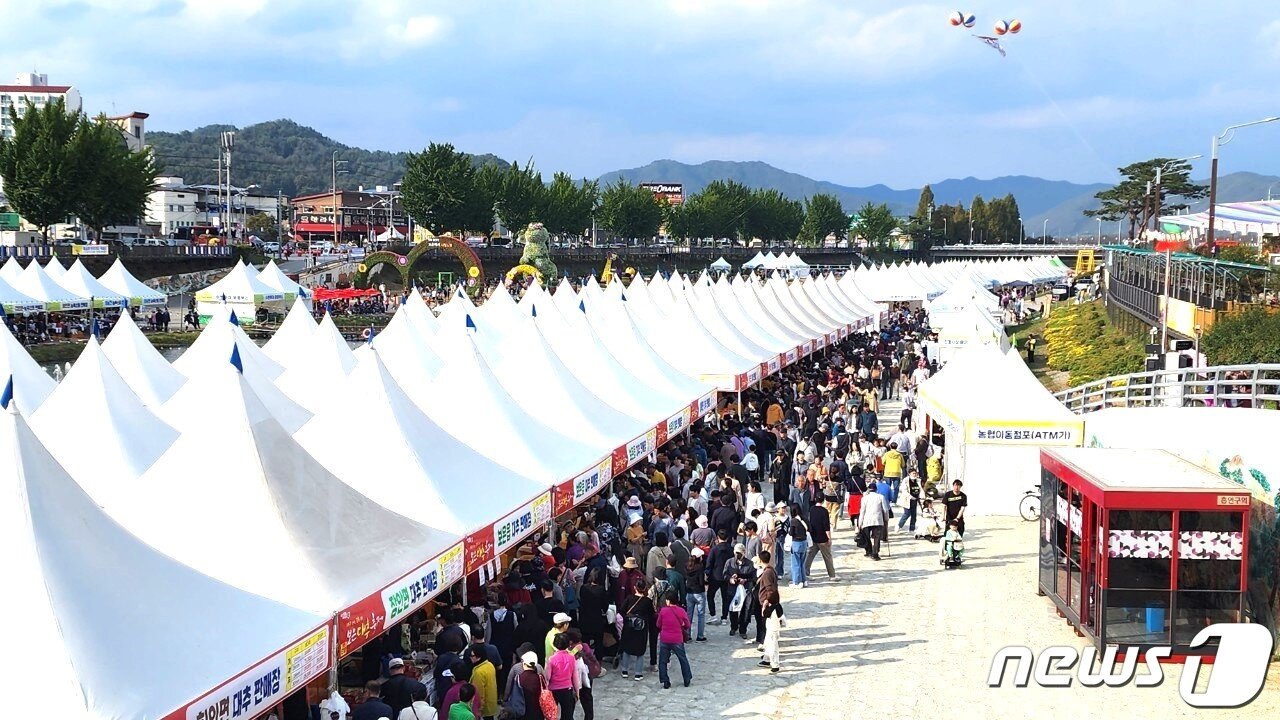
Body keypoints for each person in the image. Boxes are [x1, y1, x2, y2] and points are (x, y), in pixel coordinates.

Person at [654, 592, 694, 689]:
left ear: (668, 601)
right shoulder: (681, 611)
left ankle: (665, 680)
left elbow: (658, 625)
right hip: (677, 639)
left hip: (665, 639)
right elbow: (687, 624)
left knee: (663, 661)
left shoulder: (663, 611)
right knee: (682, 659)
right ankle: (687, 678)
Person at [619, 577, 654, 680]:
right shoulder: (647, 601)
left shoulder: (629, 598)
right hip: (641, 628)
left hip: (629, 626)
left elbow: (622, 610)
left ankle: (624, 670)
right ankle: (638, 673)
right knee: (640, 650)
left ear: (635, 588)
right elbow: (651, 614)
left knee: (627, 648)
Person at [755, 551, 784, 673]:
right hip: (771, 606)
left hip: (770, 607)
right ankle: (767, 658)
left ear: (761, 560)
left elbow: (770, 590)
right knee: (768, 635)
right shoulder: (771, 570)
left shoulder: (767, 573)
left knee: (772, 636)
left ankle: (775, 663)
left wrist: (766, 601)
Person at [724, 542, 757, 638]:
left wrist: (746, 580)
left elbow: (754, 577)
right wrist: (730, 579)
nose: (737, 555)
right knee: (733, 609)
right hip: (733, 589)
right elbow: (725, 575)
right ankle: (733, 627)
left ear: (744, 553)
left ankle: (743, 629)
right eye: (736, 553)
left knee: (746, 611)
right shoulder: (729, 562)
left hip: (746, 590)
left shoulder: (750, 564)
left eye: (739, 553)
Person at [545, 633, 579, 719]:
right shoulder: (571, 658)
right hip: (567, 689)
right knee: (567, 715)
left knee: (552, 715)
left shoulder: (551, 659)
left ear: (555, 644)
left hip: (553, 690)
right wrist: (577, 692)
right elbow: (575, 676)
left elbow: (548, 677)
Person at [804, 500, 837, 580]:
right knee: (827, 557)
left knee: (810, 556)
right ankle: (832, 575)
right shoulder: (824, 511)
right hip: (822, 538)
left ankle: (805, 573)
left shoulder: (812, 509)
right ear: (823, 501)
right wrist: (829, 538)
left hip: (814, 537)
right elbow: (826, 526)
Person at [705, 530, 733, 624]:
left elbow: (709, 563)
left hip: (715, 576)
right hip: (726, 577)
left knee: (710, 596)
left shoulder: (714, 549)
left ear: (717, 538)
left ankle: (713, 615)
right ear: (728, 538)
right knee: (725, 597)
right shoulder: (731, 549)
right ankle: (724, 617)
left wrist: (707, 574)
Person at [859, 482, 891, 561]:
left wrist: (860, 523)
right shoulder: (881, 497)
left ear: (869, 489)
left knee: (867, 537)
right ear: (876, 489)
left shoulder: (864, 498)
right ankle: (875, 553)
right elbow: (885, 510)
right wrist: (886, 519)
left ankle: (869, 551)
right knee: (877, 537)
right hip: (878, 519)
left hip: (867, 520)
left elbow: (862, 511)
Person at [684, 547, 708, 642]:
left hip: (689, 592)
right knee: (701, 615)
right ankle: (700, 635)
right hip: (699, 592)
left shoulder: (687, 566)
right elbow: (701, 581)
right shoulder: (700, 567)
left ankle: (688, 635)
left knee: (688, 615)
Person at [466, 646, 497, 720]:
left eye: (472, 655)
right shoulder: (489, 665)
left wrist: (478, 709)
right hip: (491, 703)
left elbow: (479, 693)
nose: (470, 657)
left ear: (479, 656)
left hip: (484, 707)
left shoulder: (479, 672)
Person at [514, 652, 545, 720]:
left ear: (524, 663)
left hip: (523, 711)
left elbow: (514, 695)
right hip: (538, 712)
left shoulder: (519, 678)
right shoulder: (540, 678)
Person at [786, 504, 810, 588]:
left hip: (796, 543)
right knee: (802, 563)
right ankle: (804, 580)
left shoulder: (793, 521)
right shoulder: (804, 519)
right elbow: (809, 529)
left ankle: (796, 582)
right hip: (804, 542)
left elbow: (791, 533)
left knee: (795, 563)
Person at [897, 468, 923, 534]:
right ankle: (899, 526)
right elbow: (904, 491)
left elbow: (920, 489)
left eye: (915, 473)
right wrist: (911, 497)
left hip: (915, 500)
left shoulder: (918, 480)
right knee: (907, 514)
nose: (915, 475)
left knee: (914, 515)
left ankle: (912, 529)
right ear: (909, 474)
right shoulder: (905, 480)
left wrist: (922, 497)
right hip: (907, 500)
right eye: (913, 473)